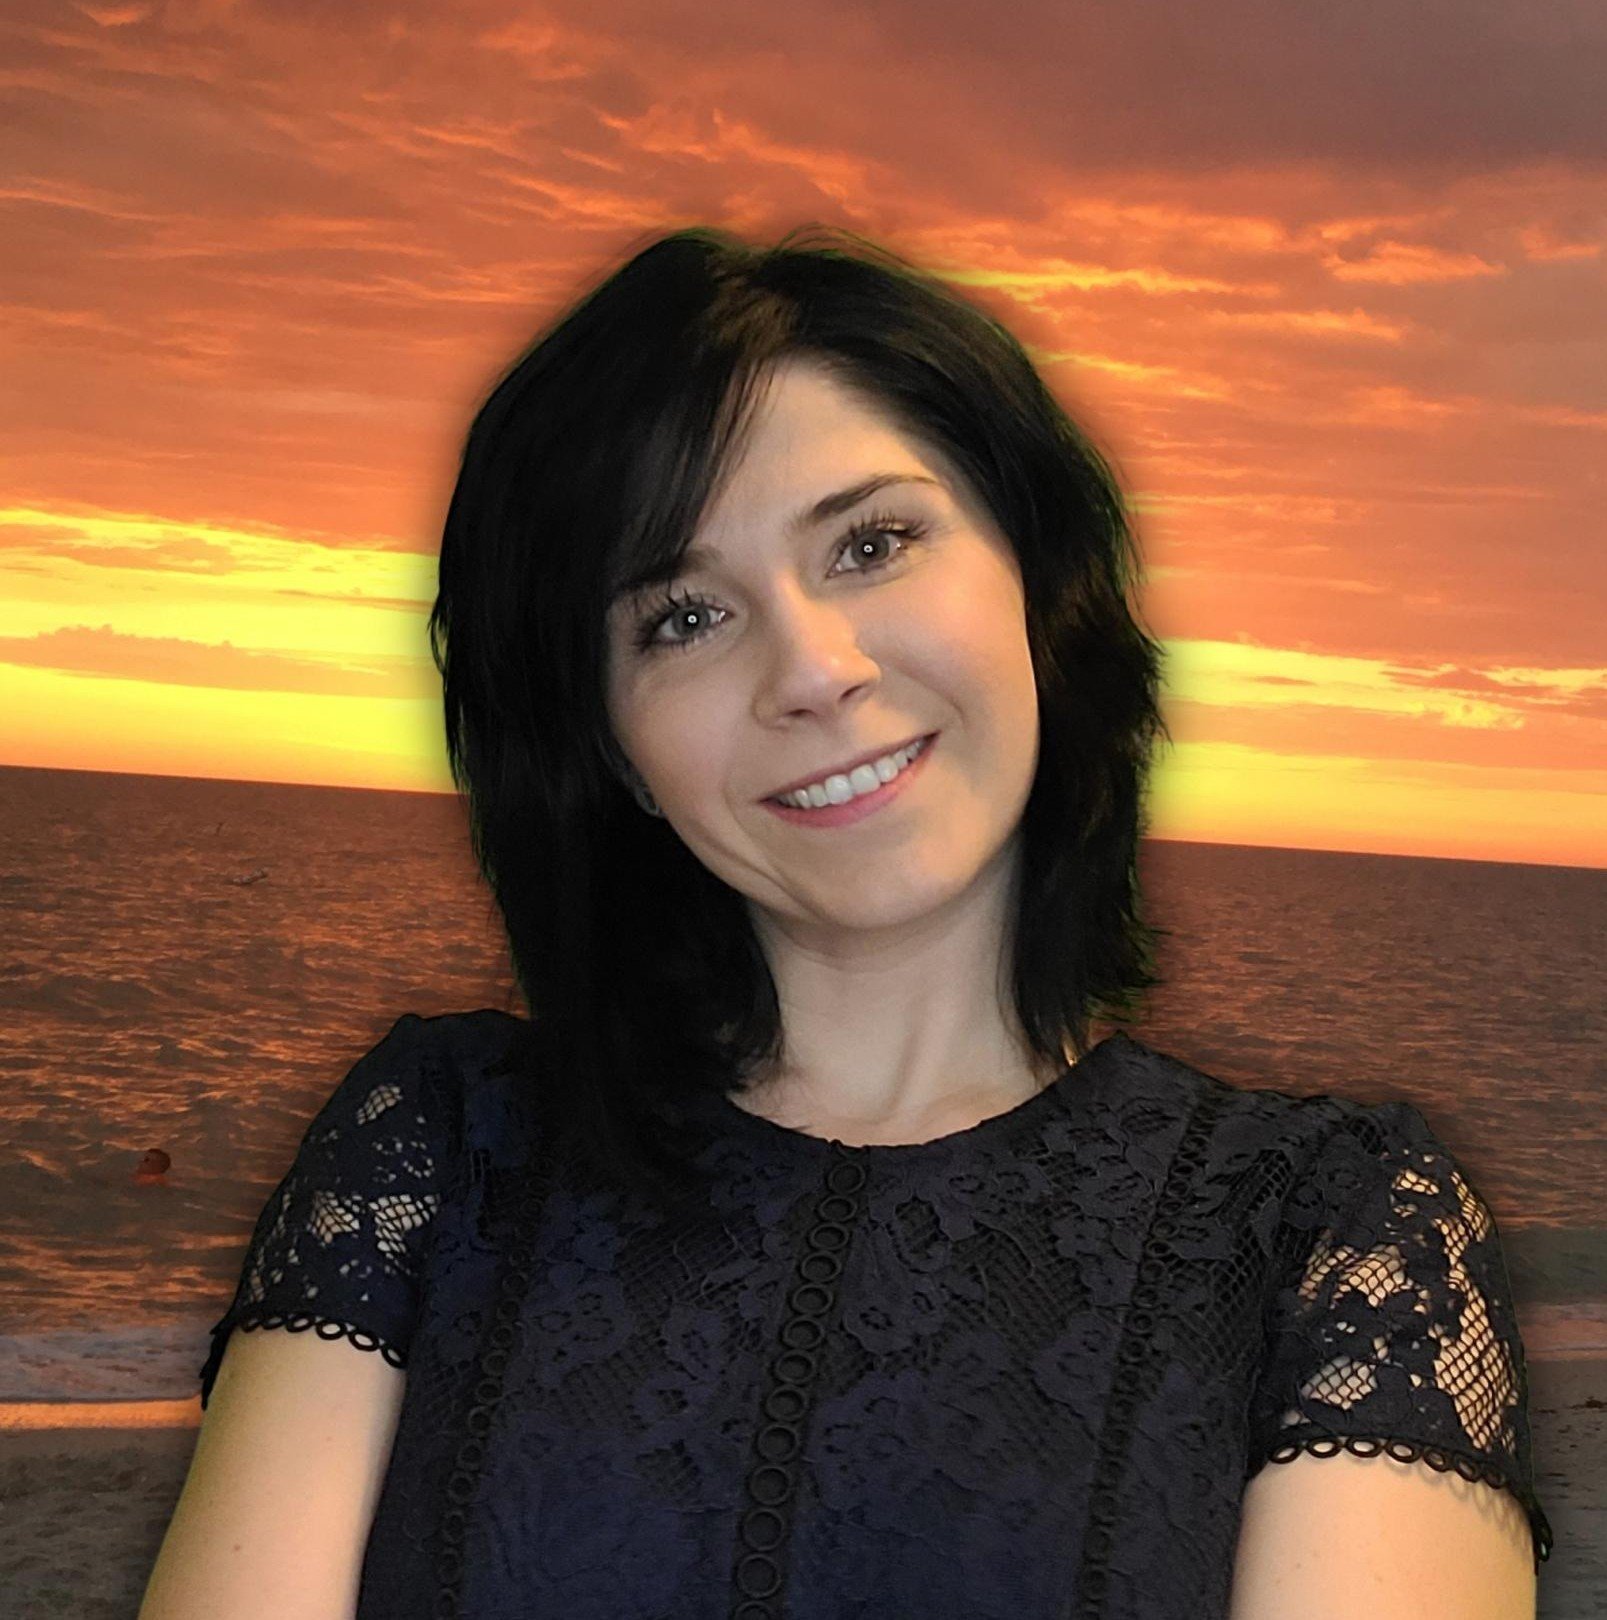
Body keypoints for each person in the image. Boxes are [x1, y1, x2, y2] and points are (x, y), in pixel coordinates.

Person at [139, 225, 1553, 1620]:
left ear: (1036, 580)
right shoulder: (436, 1147)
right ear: (612, 746)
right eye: (684, 619)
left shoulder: (1335, 1226)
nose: (813, 670)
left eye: (872, 544)